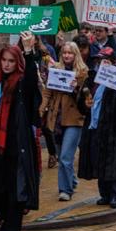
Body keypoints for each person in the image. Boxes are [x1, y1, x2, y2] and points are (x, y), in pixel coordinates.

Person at [0, 34, 43, 231]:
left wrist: (29, 51)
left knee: (15, 192)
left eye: (11, 61)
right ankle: (5, 222)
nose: (7, 65)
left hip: (16, 145)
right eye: (4, 60)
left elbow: (31, 84)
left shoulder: (21, 82)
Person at [77, 47, 116, 207]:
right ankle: (104, 194)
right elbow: (83, 102)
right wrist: (85, 104)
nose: (102, 64)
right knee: (100, 161)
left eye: (106, 61)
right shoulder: (93, 80)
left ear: (113, 62)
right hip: (97, 128)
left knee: (115, 163)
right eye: (100, 61)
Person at [40, 41, 88, 201]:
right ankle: (72, 180)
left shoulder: (82, 73)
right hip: (56, 118)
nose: (67, 55)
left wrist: (76, 88)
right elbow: (47, 92)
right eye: (64, 53)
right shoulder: (55, 71)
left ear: (76, 55)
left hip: (74, 119)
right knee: (62, 157)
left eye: (70, 53)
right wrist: (41, 110)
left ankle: (65, 190)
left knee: (66, 157)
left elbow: (87, 99)